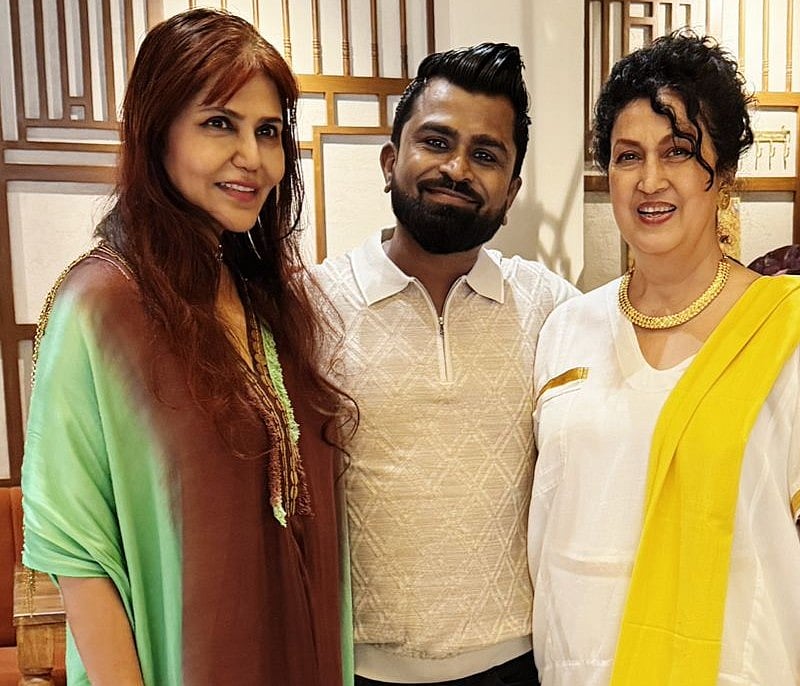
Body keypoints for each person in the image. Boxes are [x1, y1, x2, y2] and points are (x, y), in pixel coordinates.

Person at [528, 32, 800, 686]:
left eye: (678, 151)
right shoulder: (565, 329)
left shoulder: (792, 331)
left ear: (723, 174)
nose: (650, 180)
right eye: (627, 156)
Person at [21, 9, 354, 685]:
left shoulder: (266, 301)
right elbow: (78, 559)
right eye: (219, 124)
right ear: (157, 133)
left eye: (268, 131)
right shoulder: (100, 306)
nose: (252, 157)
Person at [315, 43, 578, 685]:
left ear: (510, 192)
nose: (457, 169)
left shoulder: (552, 308)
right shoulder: (311, 305)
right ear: (390, 161)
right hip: (357, 668)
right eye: (436, 142)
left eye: (486, 155)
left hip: (518, 664)